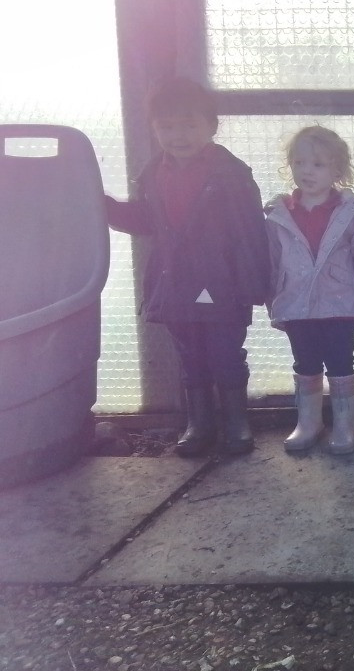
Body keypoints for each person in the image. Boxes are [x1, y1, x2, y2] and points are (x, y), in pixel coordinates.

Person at [105, 77, 271, 457]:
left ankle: (236, 423)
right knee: (190, 356)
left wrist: (255, 285)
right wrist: (108, 209)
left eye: (189, 124)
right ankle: (199, 424)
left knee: (226, 354)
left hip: (222, 284)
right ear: (154, 129)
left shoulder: (231, 174)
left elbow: (250, 232)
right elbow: (149, 221)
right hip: (175, 285)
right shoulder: (154, 175)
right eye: (167, 126)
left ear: (211, 126)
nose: (178, 135)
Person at [265, 126, 354, 455]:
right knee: (305, 361)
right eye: (300, 162)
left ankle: (343, 425)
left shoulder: (351, 215)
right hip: (296, 303)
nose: (307, 171)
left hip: (340, 304)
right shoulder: (277, 216)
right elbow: (271, 261)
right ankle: (308, 422)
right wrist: (273, 299)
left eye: (318, 164)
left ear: (337, 170)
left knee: (341, 361)